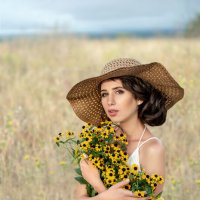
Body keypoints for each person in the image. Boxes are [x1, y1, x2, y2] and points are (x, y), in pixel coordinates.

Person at [66, 58, 184, 200]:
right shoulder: (99, 140)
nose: (110, 101)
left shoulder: (152, 149)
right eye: (104, 94)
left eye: (119, 92)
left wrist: (98, 186)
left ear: (139, 98)